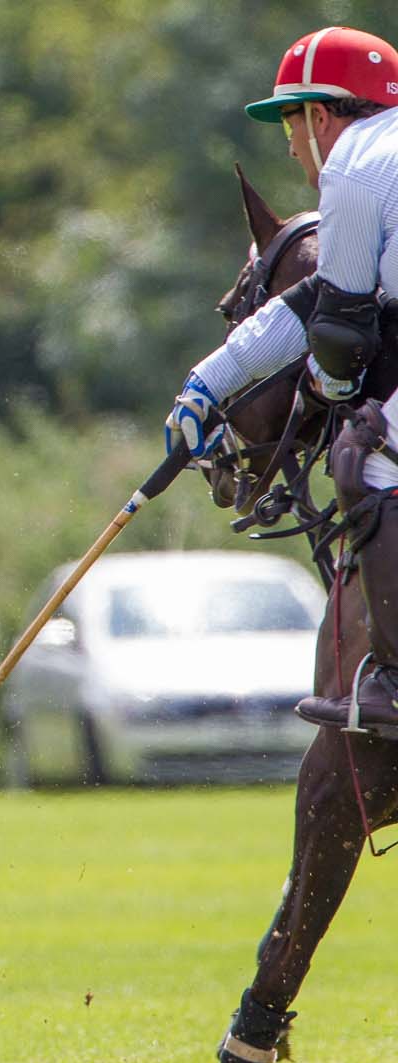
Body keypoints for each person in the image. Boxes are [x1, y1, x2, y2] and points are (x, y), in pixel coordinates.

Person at [161, 26, 398, 729]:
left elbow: (339, 327)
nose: (292, 148)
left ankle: (392, 677)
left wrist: (328, 385)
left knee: (366, 458)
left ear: (320, 116)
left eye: (290, 126)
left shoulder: (356, 161)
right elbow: (315, 299)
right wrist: (208, 383)